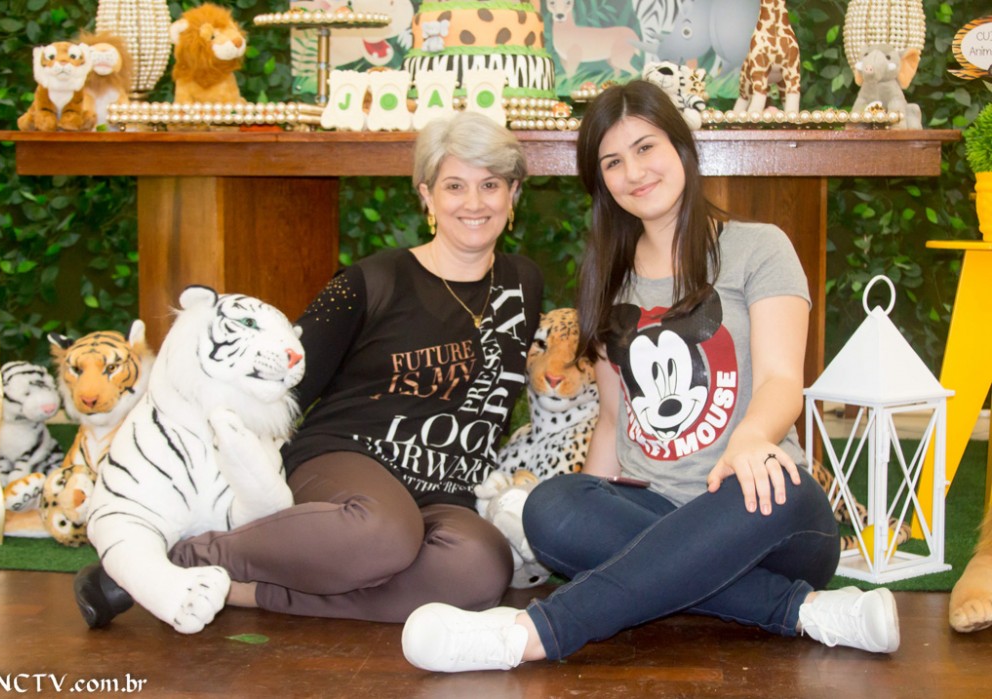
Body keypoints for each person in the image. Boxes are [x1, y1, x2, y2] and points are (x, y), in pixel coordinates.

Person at [400, 80, 901, 673]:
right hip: (649, 510)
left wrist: (749, 440)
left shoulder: (758, 248)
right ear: (600, 181)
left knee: (778, 480)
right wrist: (582, 512)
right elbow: (613, 421)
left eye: (645, 148)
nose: (633, 172)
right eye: (613, 162)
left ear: (681, 146)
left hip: (761, 513)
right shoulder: (607, 279)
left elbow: (781, 382)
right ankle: (803, 611)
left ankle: (528, 635)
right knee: (550, 505)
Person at [74, 110, 544, 625]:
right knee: (384, 535)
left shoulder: (523, 284)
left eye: (490, 184)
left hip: (444, 489)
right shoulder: (371, 282)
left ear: (513, 194)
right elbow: (278, 386)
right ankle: (189, 554)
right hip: (346, 463)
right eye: (455, 185)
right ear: (427, 196)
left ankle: (239, 590)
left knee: (479, 572)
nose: (474, 203)